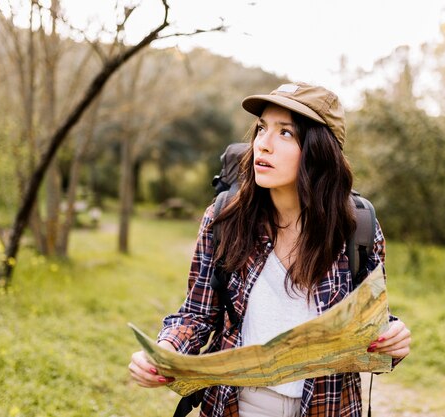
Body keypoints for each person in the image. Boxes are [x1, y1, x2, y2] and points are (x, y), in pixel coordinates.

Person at [129, 82, 411, 417]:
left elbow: (371, 326)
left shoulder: (357, 228)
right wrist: (163, 351)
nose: (263, 144)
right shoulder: (225, 218)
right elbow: (197, 313)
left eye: (286, 133)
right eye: (262, 129)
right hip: (238, 405)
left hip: (328, 407)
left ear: (320, 151)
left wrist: (393, 338)